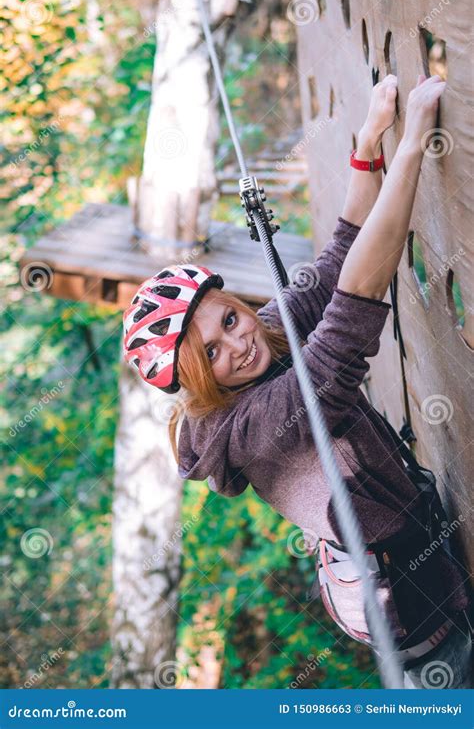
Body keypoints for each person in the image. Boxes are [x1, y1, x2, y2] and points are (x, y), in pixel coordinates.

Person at [123, 74, 472, 688]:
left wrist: (369, 144)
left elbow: (338, 261)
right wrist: (414, 143)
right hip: (413, 615)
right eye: (212, 351)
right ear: (197, 380)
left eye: (229, 317)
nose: (239, 342)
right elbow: (351, 308)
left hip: (418, 549)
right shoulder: (250, 430)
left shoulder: (256, 342)